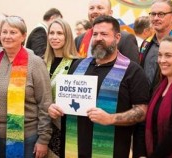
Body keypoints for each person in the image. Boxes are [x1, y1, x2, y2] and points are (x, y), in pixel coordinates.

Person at [48, 15, 150, 158]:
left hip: (111, 150)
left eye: (104, 34)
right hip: (74, 148)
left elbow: (142, 111)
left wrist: (111, 118)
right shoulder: (78, 66)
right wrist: (55, 108)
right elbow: (66, 102)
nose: (98, 38)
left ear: (117, 38)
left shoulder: (132, 71)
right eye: (95, 34)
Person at [0, 16, 52, 158]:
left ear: (23, 36)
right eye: (4, 32)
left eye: (13, 32)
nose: (7, 36)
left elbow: (45, 103)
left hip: (27, 139)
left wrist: (43, 139)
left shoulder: (35, 63)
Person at [43, 18, 78, 158]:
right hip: (43, 124)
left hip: (66, 125)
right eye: (51, 33)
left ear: (67, 36)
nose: (54, 37)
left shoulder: (78, 64)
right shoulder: (40, 62)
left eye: (59, 33)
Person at [75, 0, 140, 63]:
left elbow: (132, 69)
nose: (94, 11)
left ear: (110, 13)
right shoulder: (79, 39)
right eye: (91, 8)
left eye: (100, 8)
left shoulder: (126, 38)